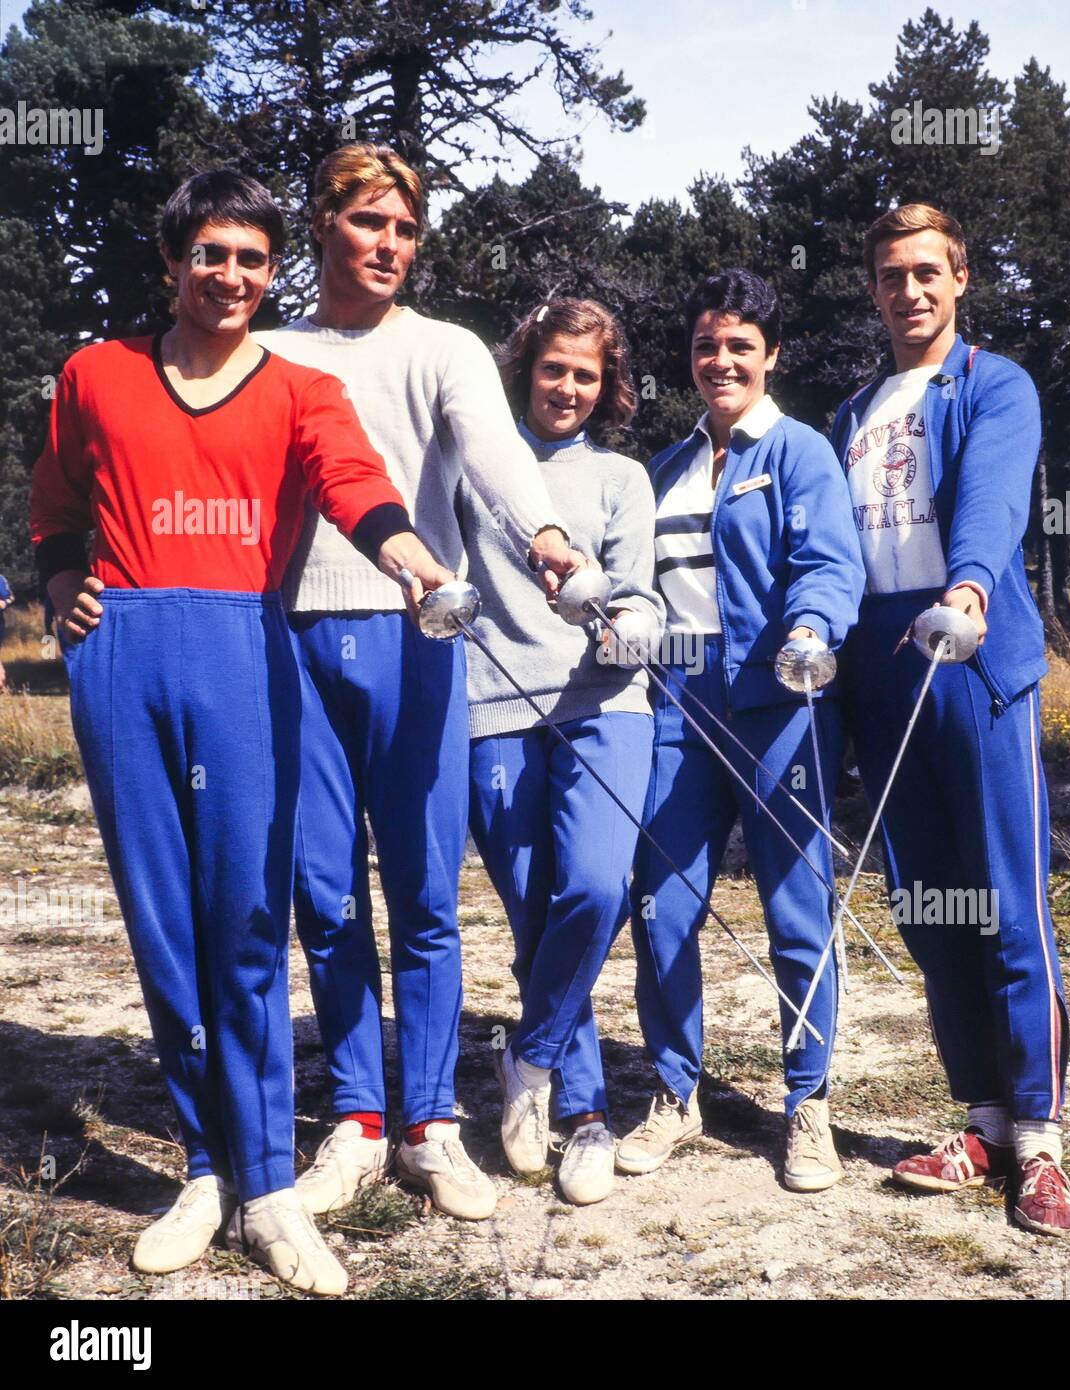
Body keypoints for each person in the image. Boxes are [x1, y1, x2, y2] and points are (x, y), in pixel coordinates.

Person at [30, 170, 453, 1294]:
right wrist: (66, 581)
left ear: (277, 272)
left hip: (241, 653)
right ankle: (208, 1165)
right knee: (165, 926)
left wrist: (409, 559)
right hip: (122, 653)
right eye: (211, 254)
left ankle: (269, 1185)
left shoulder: (301, 388)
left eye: (253, 260)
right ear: (173, 259)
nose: (231, 277)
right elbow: (55, 504)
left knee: (247, 923)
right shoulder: (95, 374)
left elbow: (356, 484)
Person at [253, 144, 587, 1222]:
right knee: (323, 890)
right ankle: (355, 1118)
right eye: (367, 223)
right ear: (320, 225)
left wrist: (544, 536)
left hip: (420, 633)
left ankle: (431, 1119)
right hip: (295, 636)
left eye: (404, 229)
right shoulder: (263, 349)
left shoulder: (444, 349)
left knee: (426, 894)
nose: (388, 245)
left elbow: (495, 455)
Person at [831, 203, 1070, 1237]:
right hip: (882, 669)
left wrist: (972, 588)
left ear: (961, 278)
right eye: (892, 275)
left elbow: (987, 497)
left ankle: (1039, 1143)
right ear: (875, 288)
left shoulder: (994, 383)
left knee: (1010, 909)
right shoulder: (850, 410)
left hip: (970, 655)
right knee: (932, 910)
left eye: (928, 272)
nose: (910, 292)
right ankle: (977, 1122)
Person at [619, 269, 864, 1193]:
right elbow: (639, 580)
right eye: (706, 346)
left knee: (795, 910)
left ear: (770, 357)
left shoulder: (798, 451)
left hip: (779, 702)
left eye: (740, 347)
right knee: (664, 905)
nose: (720, 361)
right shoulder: (666, 467)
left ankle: (808, 1103)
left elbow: (828, 564)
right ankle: (674, 1092)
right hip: (679, 708)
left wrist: (811, 632)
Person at [461, 298, 663, 1205]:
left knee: (594, 886)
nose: (569, 388)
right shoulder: (475, 468)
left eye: (587, 374)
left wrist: (631, 628)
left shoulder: (622, 476)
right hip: (494, 709)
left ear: (606, 384)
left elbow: (643, 595)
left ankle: (531, 1062)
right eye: (554, 369)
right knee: (537, 912)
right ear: (526, 369)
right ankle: (585, 1118)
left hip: (606, 704)